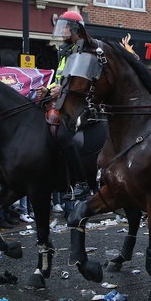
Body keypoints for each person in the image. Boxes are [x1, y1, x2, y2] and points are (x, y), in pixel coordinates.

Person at [48, 10, 94, 198]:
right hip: (60, 100)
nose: (62, 31)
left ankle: (81, 182)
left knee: (64, 136)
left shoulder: (83, 51)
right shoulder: (65, 52)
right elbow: (59, 79)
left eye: (65, 27)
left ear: (76, 30)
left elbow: (80, 82)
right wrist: (48, 88)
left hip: (78, 102)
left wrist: (62, 91)